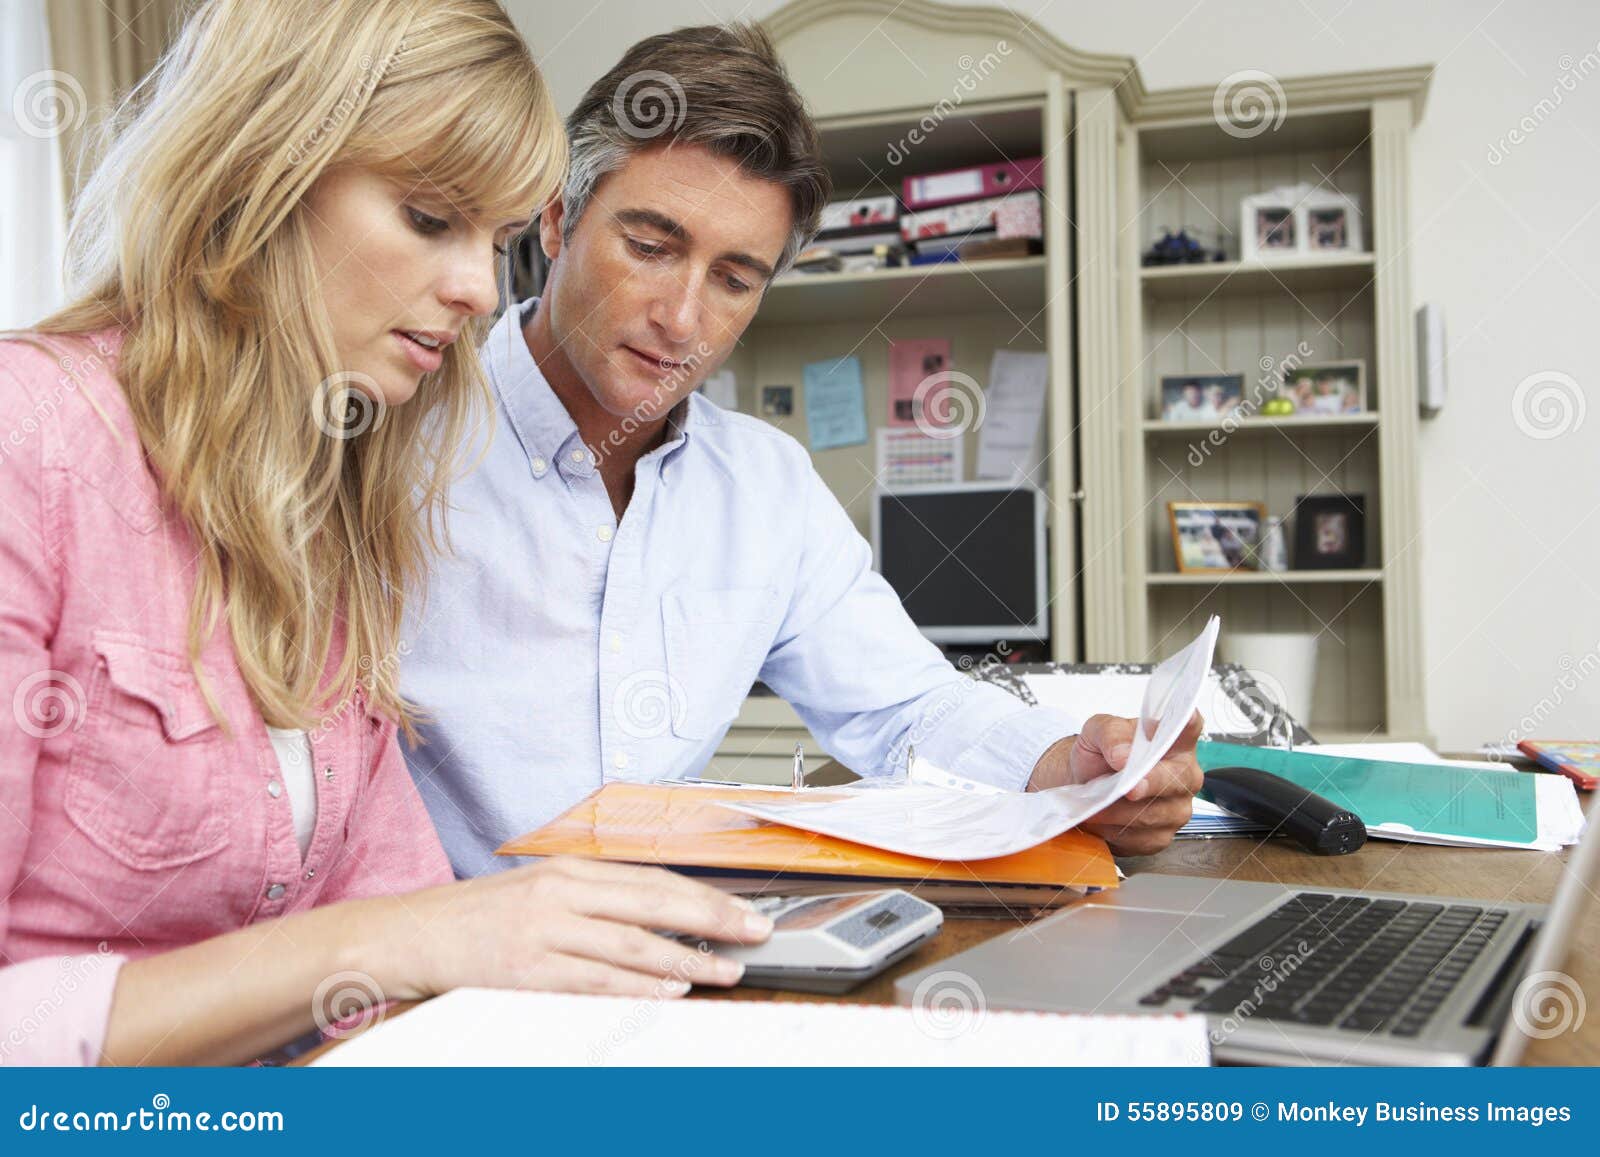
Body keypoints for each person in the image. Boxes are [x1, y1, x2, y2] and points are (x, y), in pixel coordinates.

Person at [0, 0, 770, 1069]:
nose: (473, 288)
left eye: (495, 242)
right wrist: (389, 941)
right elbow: (400, 929)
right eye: (426, 217)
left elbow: (398, 925)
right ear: (262, 167)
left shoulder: (330, 510)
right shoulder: (27, 443)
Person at [401, 23, 1205, 882]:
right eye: (649, 246)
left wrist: (1071, 772)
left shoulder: (765, 482)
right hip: (437, 977)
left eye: (735, 278)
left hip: (672, 956)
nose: (682, 318)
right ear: (557, 219)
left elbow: (907, 707)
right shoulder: (396, 435)